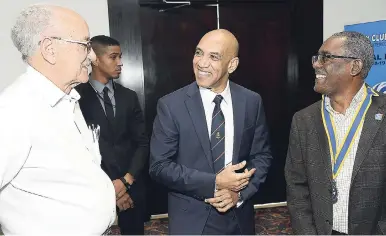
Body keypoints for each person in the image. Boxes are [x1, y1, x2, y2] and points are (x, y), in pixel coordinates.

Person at [0, 4, 116, 235]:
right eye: (85, 45)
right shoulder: (15, 109)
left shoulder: (67, 98)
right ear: (50, 49)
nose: (92, 56)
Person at [149, 29, 273, 235]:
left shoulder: (251, 101)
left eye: (213, 57)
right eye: (199, 53)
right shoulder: (171, 105)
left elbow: (261, 156)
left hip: (239, 218)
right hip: (190, 220)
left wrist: (239, 195)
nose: (201, 63)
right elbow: (159, 167)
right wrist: (214, 182)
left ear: (232, 65)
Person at [285, 31, 386, 235]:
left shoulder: (383, 114)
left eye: (326, 57)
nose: (316, 64)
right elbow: (296, 187)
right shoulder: (304, 120)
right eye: (317, 57)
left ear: (355, 66)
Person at [76, 35, 149, 235]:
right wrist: (112, 189)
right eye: (113, 57)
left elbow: (142, 143)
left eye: (120, 57)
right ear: (95, 59)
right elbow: (78, 150)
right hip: (94, 187)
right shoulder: (75, 99)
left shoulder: (129, 96)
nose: (120, 63)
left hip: (131, 184)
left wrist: (126, 181)